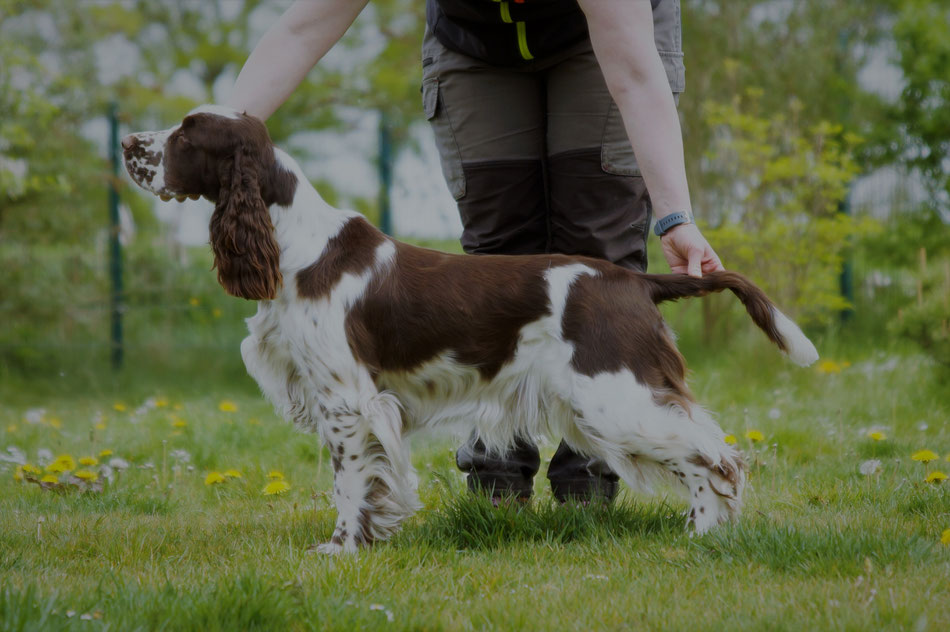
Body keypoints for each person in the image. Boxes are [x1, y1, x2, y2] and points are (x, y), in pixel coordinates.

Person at [228, 0, 724, 504]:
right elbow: (302, 27)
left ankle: (591, 481)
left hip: (604, 40)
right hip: (474, 43)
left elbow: (637, 75)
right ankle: (498, 480)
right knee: (495, 258)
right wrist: (222, 132)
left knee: (597, 252)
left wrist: (675, 217)